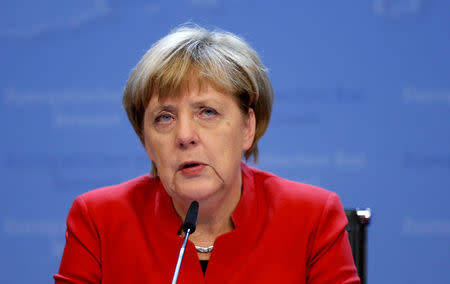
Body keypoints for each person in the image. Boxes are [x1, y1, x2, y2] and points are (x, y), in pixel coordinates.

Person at [54, 25, 360, 283]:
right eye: (164, 117)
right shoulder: (98, 222)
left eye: (208, 112)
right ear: (145, 141)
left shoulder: (312, 219)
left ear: (247, 127)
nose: (185, 136)